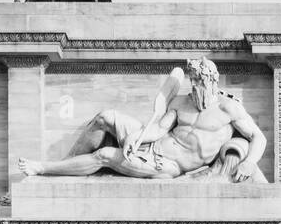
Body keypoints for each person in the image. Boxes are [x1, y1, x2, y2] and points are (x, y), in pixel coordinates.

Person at [18, 58, 266, 181]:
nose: (194, 86)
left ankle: (44, 169)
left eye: (199, 82)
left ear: (212, 81)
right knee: (105, 117)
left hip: (167, 166)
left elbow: (258, 137)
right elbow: (159, 128)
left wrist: (250, 162)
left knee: (104, 155)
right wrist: (136, 136)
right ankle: (67, 165)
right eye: (192, 81)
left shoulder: (229, 109)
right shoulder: (181, 102)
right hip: (154, 143)